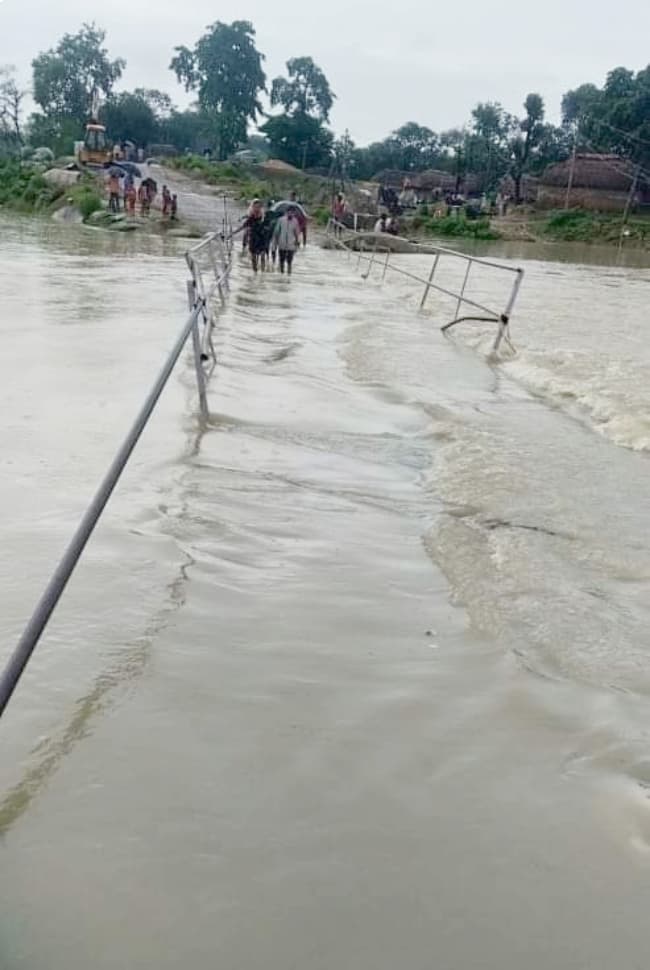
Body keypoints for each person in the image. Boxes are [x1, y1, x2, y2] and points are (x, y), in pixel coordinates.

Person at [273, 207, 301, 276]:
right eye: (289, 212)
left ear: (294, 213)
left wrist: (297, 244)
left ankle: (289, 275)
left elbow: (297, 233)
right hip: (282, 244)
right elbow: (276, 232)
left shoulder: (295, 221)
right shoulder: (281, 220)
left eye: (292, 212)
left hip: (291, 245)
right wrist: (275, 244)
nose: (290, 214)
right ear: (286, 212)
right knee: (281, 261)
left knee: (289, 262)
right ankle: (282, 274)